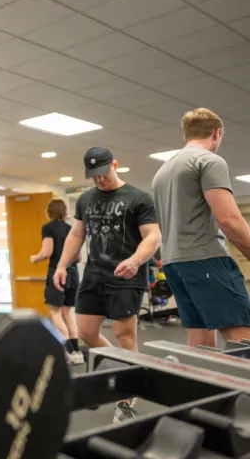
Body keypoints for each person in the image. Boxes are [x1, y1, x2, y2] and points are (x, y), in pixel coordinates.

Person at [53, 146, 160, 423]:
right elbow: (77, 234)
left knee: (126, 337)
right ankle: (126, 368)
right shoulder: (86, 199)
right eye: (94, 176)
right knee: (87, 333)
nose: (99, 180)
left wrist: (136, 261)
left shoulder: (139, 198)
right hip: (93, 275)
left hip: (126, 277)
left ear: (114, 165)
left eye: (103, 173)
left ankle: (128, 397)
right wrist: (62, 265)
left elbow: (152, 237)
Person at [151, 108, 250, 348]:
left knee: (200, 345)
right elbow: (228, 219)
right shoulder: (208, 160)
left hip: (175, 264)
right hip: (206, 259)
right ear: (217, 133)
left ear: (187, 134)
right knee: (243, 339)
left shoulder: (162, 172)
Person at [29, 198, 84, 364]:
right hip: (73, 274)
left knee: (55, 312)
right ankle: (76, 352)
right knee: (67, 313)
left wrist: (35, 258)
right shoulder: (70, 229)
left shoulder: (48, 228)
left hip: (57, 274)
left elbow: (47, 251)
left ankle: (67, 351)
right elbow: (79, 257)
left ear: (49, 212)